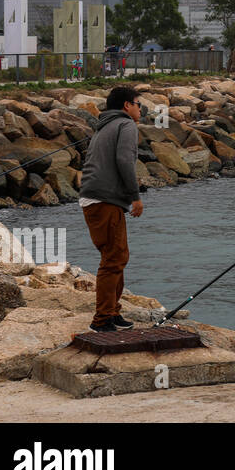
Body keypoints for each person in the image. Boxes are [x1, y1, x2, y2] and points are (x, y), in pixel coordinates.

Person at [78, 86, 146, 332]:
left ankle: (113, 312)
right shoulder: (126, 125)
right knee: (113, 259)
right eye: (139, 104)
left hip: (96, 198)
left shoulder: (105, 125)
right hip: (104, 199)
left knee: (118, 256)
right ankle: (102, 319)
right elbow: (124, 160)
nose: (141, 109)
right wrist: (135, 197)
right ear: (127, 105)